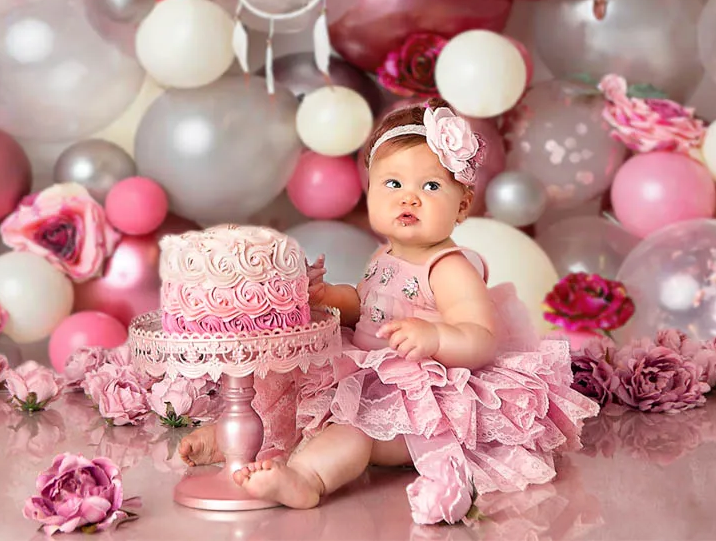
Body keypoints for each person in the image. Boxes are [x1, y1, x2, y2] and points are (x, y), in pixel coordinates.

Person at [179, 102, 599, 520]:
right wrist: (329, 298)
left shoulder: (449, 267)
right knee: (289, 387)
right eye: (392, 183)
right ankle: (236, 442)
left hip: (417, 402)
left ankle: (307, 479)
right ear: (371, 193)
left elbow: (480, 337)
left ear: (463, 204)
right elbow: (366, 306)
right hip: (368, 376)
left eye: (431, 187)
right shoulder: (383, 255)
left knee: (353, 431)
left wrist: (435, 337)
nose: (410, 198)